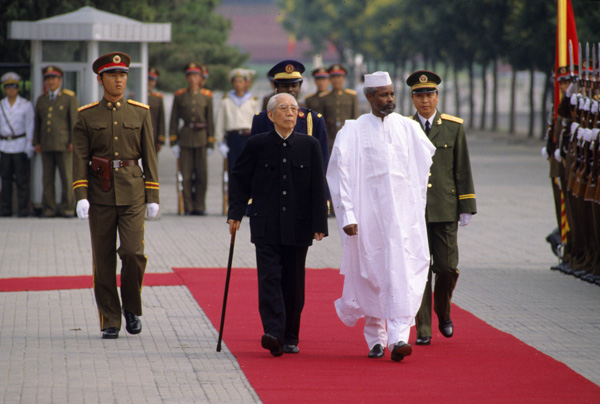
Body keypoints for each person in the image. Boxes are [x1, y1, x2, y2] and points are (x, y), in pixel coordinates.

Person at [326, 71, 435, 361]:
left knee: (402, 272)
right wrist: (347, 214)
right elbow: (340, 174)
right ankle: (376, 338)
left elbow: (424, 162)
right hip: (367, 218)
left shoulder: (408, 128)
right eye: (383, 95)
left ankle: (399, 338)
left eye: (391, 94)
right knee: (371, 275)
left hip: (402, 218)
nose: (389, 99)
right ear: (369, 97)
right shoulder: (353, 130)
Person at [227, 92, 328, 356]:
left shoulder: (310, 145)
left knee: (293, 282)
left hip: (299, 226)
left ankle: (290, 335)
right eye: (283, 108)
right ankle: (273, 332)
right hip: (266, 224)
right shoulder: (257, 144)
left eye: (294, 108)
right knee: (269, 279)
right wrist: (235, 213)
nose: (290, 113)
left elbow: (319, 186)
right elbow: (239, 179)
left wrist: (320, 223)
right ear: (270, 115)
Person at [72, 52, 160, 339]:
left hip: (133, 191)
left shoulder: (140, 112)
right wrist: (81, 194)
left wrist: (153, 194)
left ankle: (132, 307)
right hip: (100, 193)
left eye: (122, 74)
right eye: (112, 75)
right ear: (100, 79)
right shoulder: (86, 116)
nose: (119, 79)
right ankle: (110, 317)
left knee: (134, 253)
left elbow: (150, 154)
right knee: (104, 259)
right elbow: (80, 157)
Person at [406, 70, 477, 346]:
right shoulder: (405, 127)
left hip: (445, 208)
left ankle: (443, 311)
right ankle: (423, 328)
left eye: (430, 94)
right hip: (415, 210)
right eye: (419, 95)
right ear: (412, 99)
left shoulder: (453, 126)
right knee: (420, 269)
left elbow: (462, 168)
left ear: (437, 97)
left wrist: (466, 205)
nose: (425, 100)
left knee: (447, 267)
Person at [250, 60, 329, 166]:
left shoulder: (313, 120)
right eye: (285, 86)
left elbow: (322, 162)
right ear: (276, 88)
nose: (290, 90)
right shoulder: (261, 120)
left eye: (294, 85)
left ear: (300, 87)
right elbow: (253, 159)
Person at [33, 65, 78, 218]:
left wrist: (73, 141)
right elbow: (37, 122)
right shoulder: (41, 99)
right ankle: (49, 208)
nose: (50, 82)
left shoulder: (69, 98)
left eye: (53, 78)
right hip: (46, 144)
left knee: (67, 178)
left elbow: (74, 122)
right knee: (47, 179)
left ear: (60, 80)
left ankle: (68, 208)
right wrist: (36, 142)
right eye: (48, 79)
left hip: (64, 145)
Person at [169, 62, 215, 215]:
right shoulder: (180, 95)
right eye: (190, 75)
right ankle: (188, 206)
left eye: (196, 75)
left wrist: (210, 142)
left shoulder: (207, 96)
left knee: (202, 175)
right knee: (186, 175)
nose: (193, 79)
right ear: (187, 78)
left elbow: (210, 120)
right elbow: (174, 119)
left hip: (201, 138)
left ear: (200, 77)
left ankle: (200, 206)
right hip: (186, 137)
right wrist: (173, 141)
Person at [0, 72, 34, 217]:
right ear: (4, 89)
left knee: (21, 181)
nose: (11, 90)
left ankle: (22, 210)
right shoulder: (1, 105)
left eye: (14, 86)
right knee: (5, 181)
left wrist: (29, 146)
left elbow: (30, 126)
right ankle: (6, 209)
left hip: (20, 145)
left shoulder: (25, 105)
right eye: (8, 87)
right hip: (4, 146)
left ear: (18, 88)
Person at [214, 68, 260, 175]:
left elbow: (256, 122)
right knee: (233, 169)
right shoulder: (226, 100)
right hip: (233, 138)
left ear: (245, 83)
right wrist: (220, 142)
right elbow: (220, 122)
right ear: (232, 83)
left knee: (249, 169)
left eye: (241, 81)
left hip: (248, 138)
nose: (238, 84)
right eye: (236, 81)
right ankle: (233, 192)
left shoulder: (252, 101)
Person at [319, 64, 359, 154]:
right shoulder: (324, 98)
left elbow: (355, 118)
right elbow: (322, 120)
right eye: (333, 77)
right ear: (330, 80)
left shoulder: (351, 96)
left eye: (339, 77)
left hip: (347, 138)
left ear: (344, 78)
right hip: (330, 139)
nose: (336, 80)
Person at [147, 67, 166, 154]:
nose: (149, 82)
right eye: (148, 79)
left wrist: (160, 139)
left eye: (152, 80)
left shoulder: (158, 98)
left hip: (153, 136)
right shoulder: (134, 95)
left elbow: (161, 119)